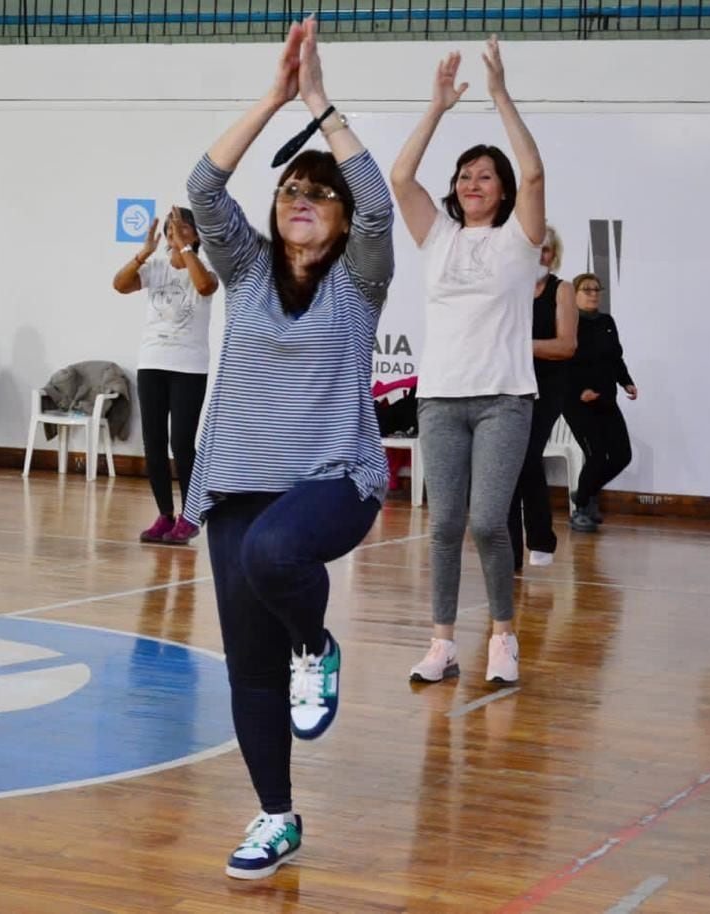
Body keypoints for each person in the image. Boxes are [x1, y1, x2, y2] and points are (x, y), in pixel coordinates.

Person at [183, 18, 393, 880]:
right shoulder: (244, 270)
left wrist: (319, 105)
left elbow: (378, 200)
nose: (299, 200)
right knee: (250, 671)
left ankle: (319, 644)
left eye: (318, 193)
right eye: (288, 193)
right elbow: (203, 187)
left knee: (278, 554)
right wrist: (272, 98)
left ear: (339, 221)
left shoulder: (359, 280)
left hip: (332, 479)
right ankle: (276, 816)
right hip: (235, 481)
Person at [390, 38, 545, 686]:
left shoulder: (519, 239)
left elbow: (535, 174)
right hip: (441, 398)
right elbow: (401, 177)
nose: (471, 183)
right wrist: (436, 108)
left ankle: (503, 635)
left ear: (502, 190)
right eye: (464, 175)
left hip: (505, 397)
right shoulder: (439, 236)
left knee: (487, 521)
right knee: (445, 523)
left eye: (484, 176)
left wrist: (500, 95)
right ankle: (443, 642)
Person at [112, 206, 218, 545]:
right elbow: (119, 285)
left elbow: (204, 287)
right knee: (154, 443)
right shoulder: (155, 269)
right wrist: (144, 252)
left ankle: (190, 516)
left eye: (181, 227)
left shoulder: (206, 268)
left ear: (195, 234)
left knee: (182, 443)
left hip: (189, 367)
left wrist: (186, 248)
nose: (174, 232)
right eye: (171, 228)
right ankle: (164, 515)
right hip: (152, 363)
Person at [508, 225, 577, 570]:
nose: (540, 256)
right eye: (535, 249)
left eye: (546, 251)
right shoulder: (509, 288)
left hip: (548, 386)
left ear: (554, 255)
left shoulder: (561, 290)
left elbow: (566, 346)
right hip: (509, 383)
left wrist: (521, 347)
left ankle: (540, 538)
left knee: (528, 453)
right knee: (507, 461)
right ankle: (508, 553)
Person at [563, 272, 637, 533]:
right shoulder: (567, 322)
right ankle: (581, 509)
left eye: (597, 289)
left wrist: (626, 381)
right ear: (574, 294)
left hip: (606, 399)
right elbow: (563, 363)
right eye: (587, 289)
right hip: (577, 402)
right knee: (595, 456)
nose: (593, 294)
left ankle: (584, 494)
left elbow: (616, 357)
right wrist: (580, 390)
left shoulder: (607, 322)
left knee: (622, 455)